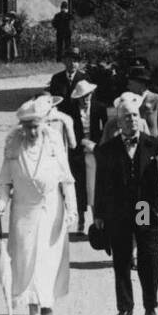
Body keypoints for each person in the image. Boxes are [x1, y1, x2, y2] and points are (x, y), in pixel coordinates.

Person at [0, 96, 76, 315]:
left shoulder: (53, 143)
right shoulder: (13, 146)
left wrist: (71, 209)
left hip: (51, 208)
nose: (32, 131)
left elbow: (67, 180)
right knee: (28, 259)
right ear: (22, 127)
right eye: (28, 127)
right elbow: (3, 181)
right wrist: (1, 200)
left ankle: (46, 303)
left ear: (43, 124)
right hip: (24, 211)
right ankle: (33, 314)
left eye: (36, 126)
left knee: (49, 258)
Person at [93, 94, 158, 315]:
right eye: (127, 117)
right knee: (122, 259)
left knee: (148, 256)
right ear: (119, 122)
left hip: (143, 207)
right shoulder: (107, 150)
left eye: (135, 116)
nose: (132, 120)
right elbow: (100, 183)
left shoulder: (152, 144)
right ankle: (125, 307)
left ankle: (150, 307)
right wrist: (98, 213)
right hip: (118, 210)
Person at [67, 78, 105, 234]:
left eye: (88, 95)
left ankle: (97, 219)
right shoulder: (71, 110)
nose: (86, 99)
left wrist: (97, 145)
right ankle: (81, 221)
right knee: (80, 186)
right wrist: (82, 142)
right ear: (78, 98)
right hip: (78, 152)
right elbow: (70, 132)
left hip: (96, 152)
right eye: (83, 96)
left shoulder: (99, 107)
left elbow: (105, 130)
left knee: (95, 186)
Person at [101, 64, 158, 145]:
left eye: (130, 84)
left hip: (153, 148)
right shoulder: (126, 101)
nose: (128, 87)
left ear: (141, 84)